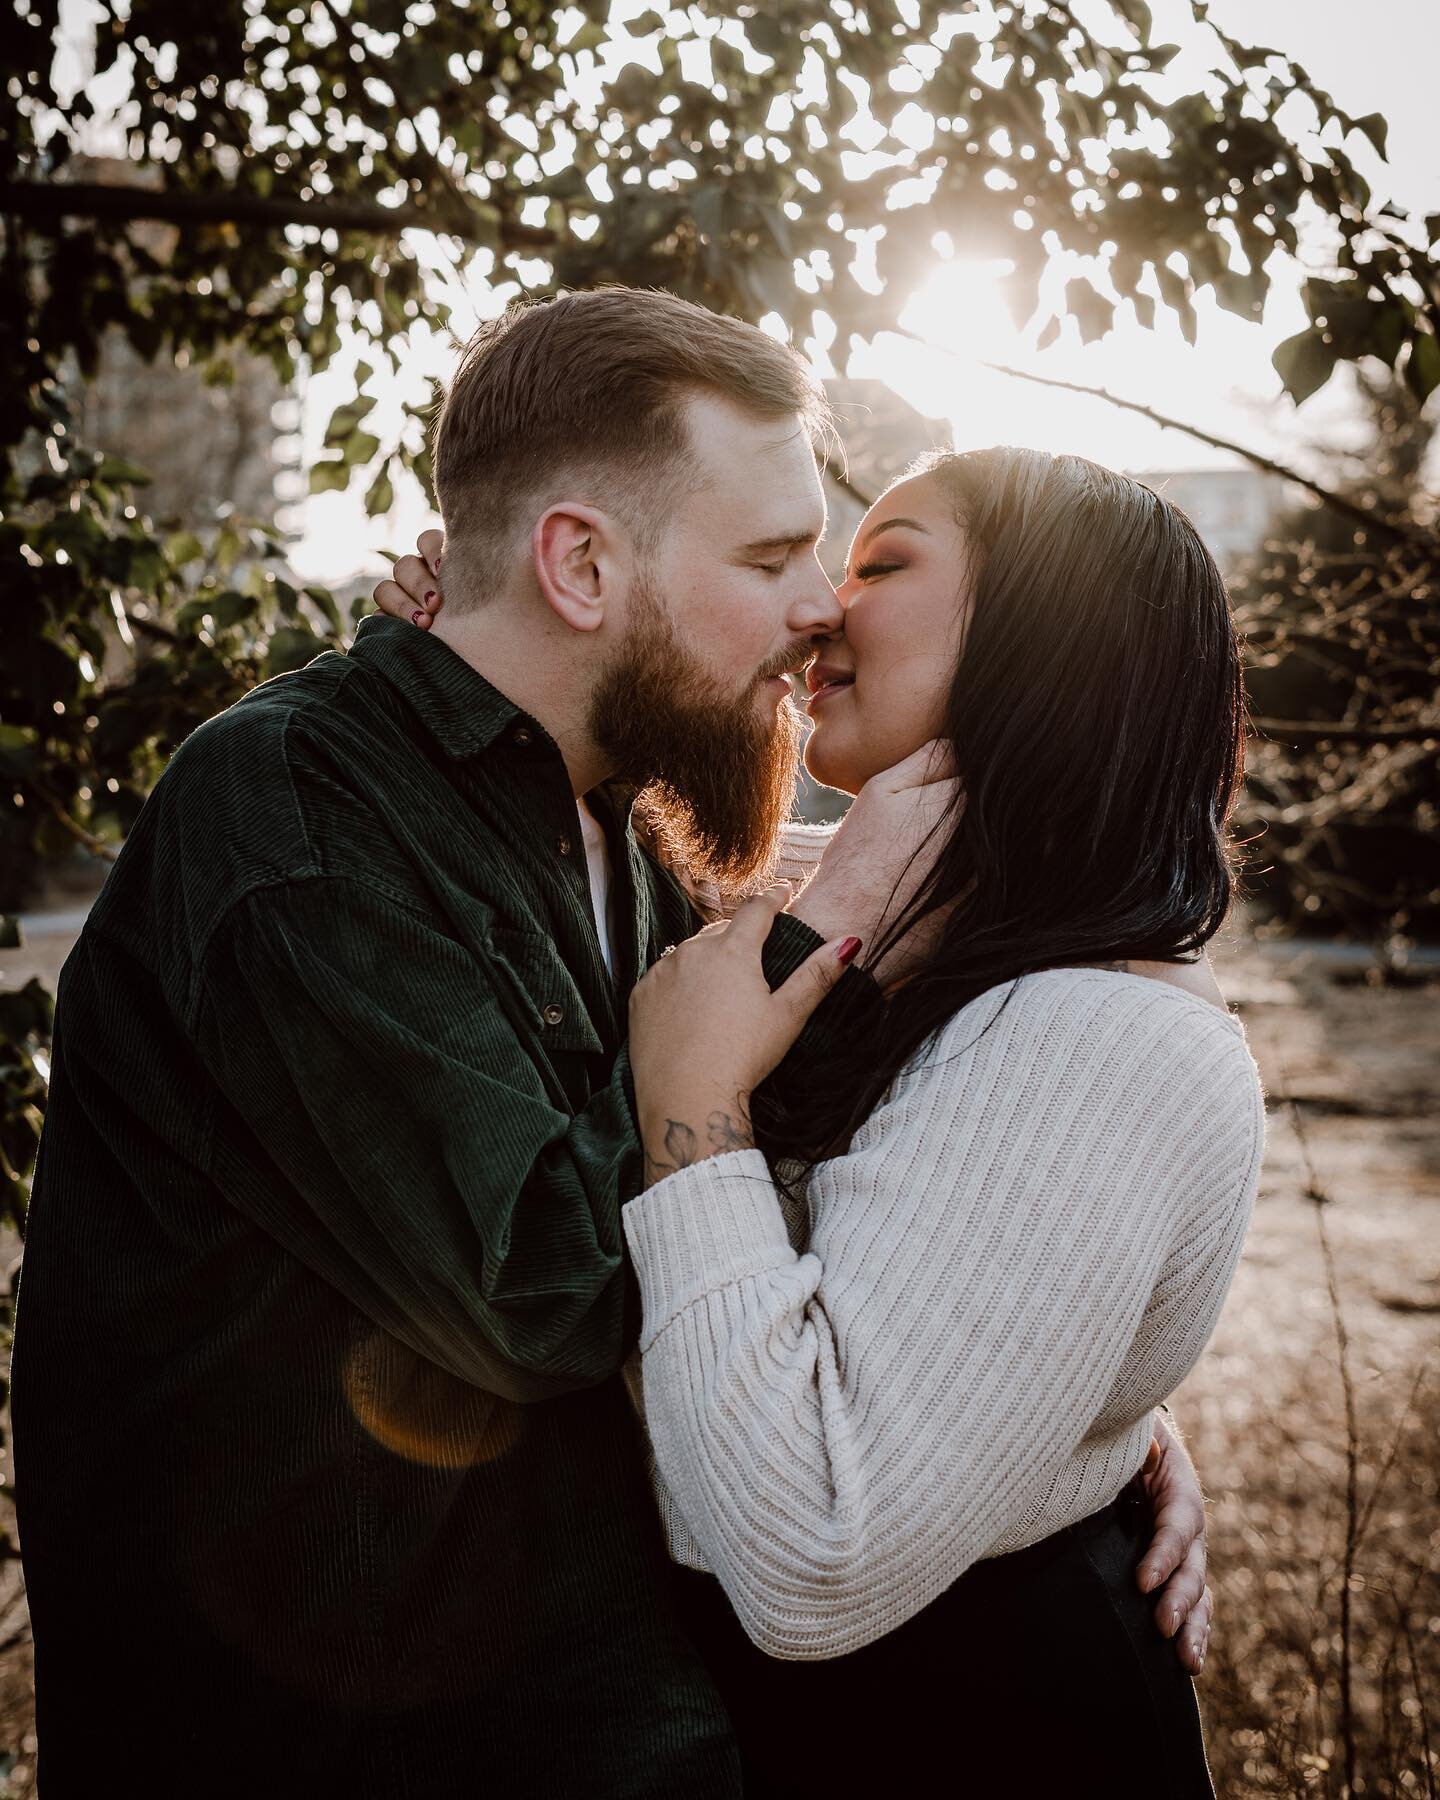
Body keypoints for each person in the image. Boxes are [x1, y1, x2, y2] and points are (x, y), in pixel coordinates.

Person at [13, 283, 1202, 1799]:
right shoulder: (296, 824)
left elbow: (778, 1215)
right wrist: (823, 921)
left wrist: (1061, 1407)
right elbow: (554, 1294)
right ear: (580, 561)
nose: (819, 605)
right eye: (772, 556)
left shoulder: (617, 832)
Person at [380, 443, 1257, 1798]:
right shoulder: (926, 940)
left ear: (1050, 632)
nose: (822, 610)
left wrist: (696, 1119)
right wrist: (482, 651)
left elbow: (809, 1553)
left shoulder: (1093, 1029)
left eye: (884, 565)